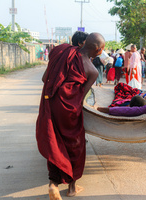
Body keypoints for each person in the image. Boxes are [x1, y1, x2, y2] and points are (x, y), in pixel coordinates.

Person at [37, 32, 104, 200]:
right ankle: (72, 188)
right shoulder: (92, 71)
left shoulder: (62, 51)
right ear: (98, 50)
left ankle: (53, 184)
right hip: (69, 111)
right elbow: (80, 98)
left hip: (52, 104)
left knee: (54, 141)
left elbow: (45, 78)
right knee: (75, 144)